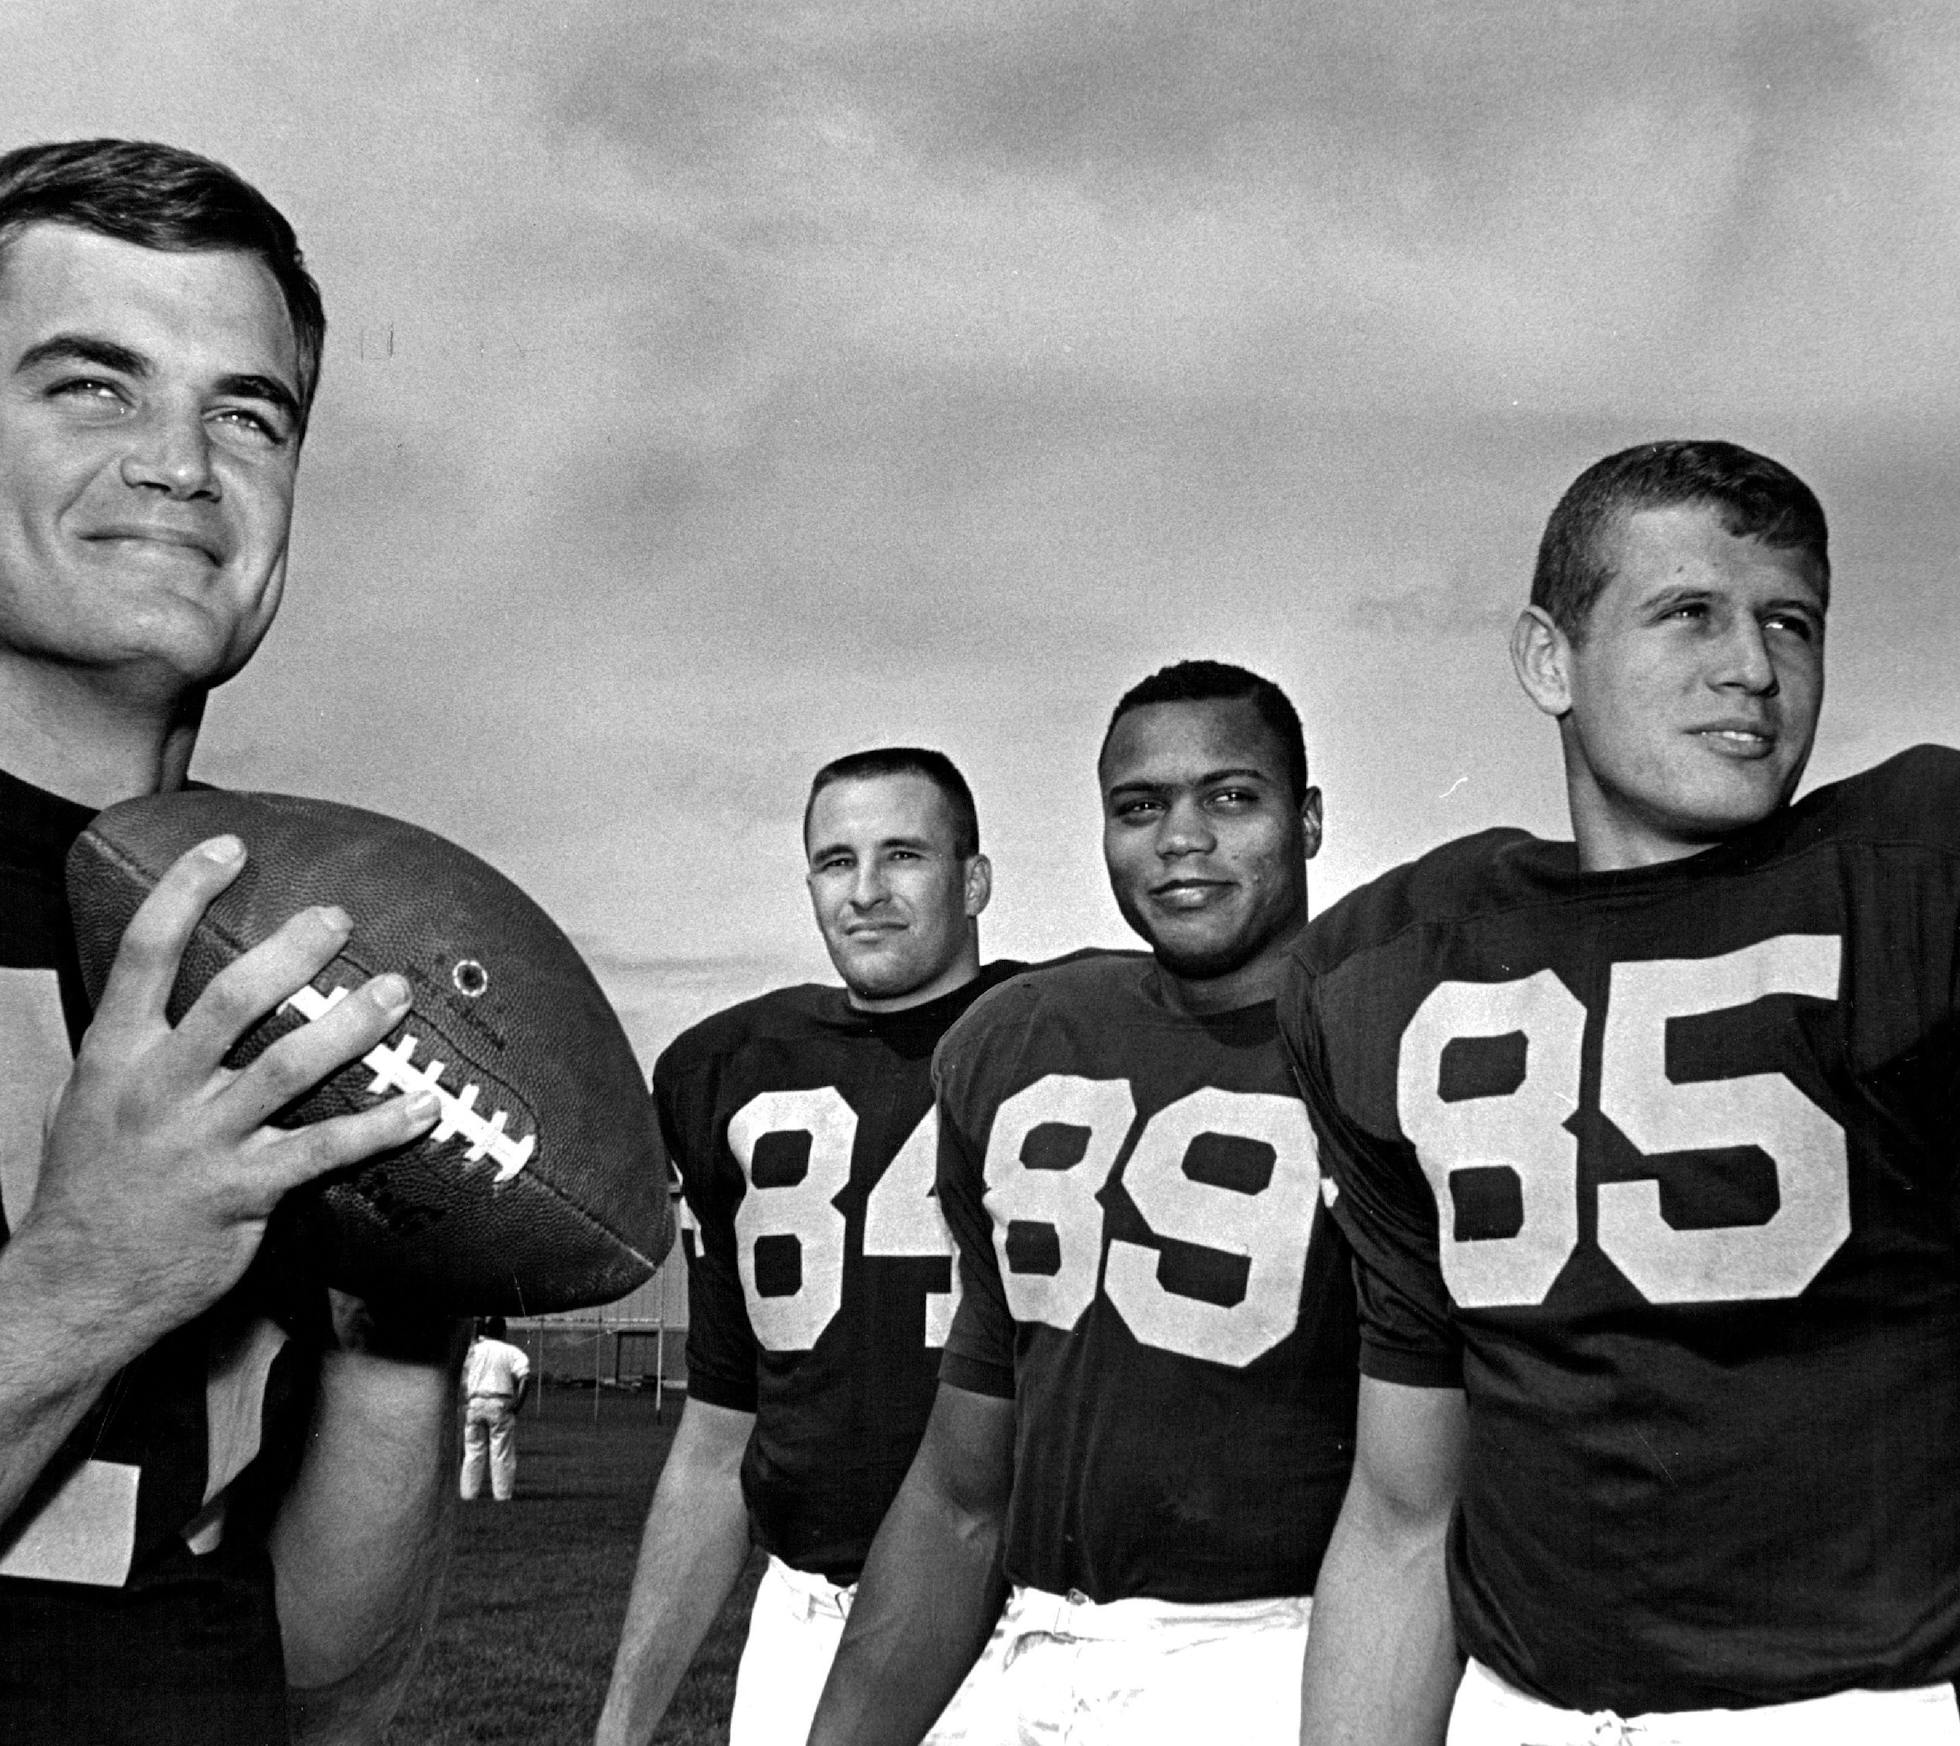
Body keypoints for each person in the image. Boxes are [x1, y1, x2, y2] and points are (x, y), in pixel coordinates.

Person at [0, 139, 464, 1742]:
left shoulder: (310, 927)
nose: (182, 461)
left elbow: (317, 1680)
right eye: (91, 385)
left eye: (248, 411)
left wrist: (407, 1318)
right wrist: (88, 1279)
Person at [1283, 439, 1960, 1744]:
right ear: (1550, 657)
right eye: (1689, 613)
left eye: (1790, 621)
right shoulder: (1391, 971)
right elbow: (1406, 1508)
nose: (1755, 668)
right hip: (1523, 1708)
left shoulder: (1913, 883)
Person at [808, 661, 1360, 1746]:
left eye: (1231, 796)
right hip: (1035, 1647)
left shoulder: (1387, 1036)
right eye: (1140, 806)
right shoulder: (1018, 1043)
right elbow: (966, 1487)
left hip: (1283, 1658)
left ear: (1309, 821)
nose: (1181, 838)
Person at [595, 748, 1027, 1746]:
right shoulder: (726, 1069)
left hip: (1020, 1628)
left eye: (903, 855)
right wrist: (622, 1725)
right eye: (837, 862)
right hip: (806, 1619)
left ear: (975, 880)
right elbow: (718, 1438)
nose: (867, 892)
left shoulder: (1058, 1036)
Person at [460, 1318, 532, 1502]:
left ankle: (468, 1494)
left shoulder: (473, 1351)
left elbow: (462, 1378)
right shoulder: (511, 1352)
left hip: (475, 1403)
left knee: (473, 1452)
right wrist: (517, 1404)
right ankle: (502, 1496)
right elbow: (525, 1377)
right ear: (503, 1331)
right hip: (499, 1402)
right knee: (501, 1453)